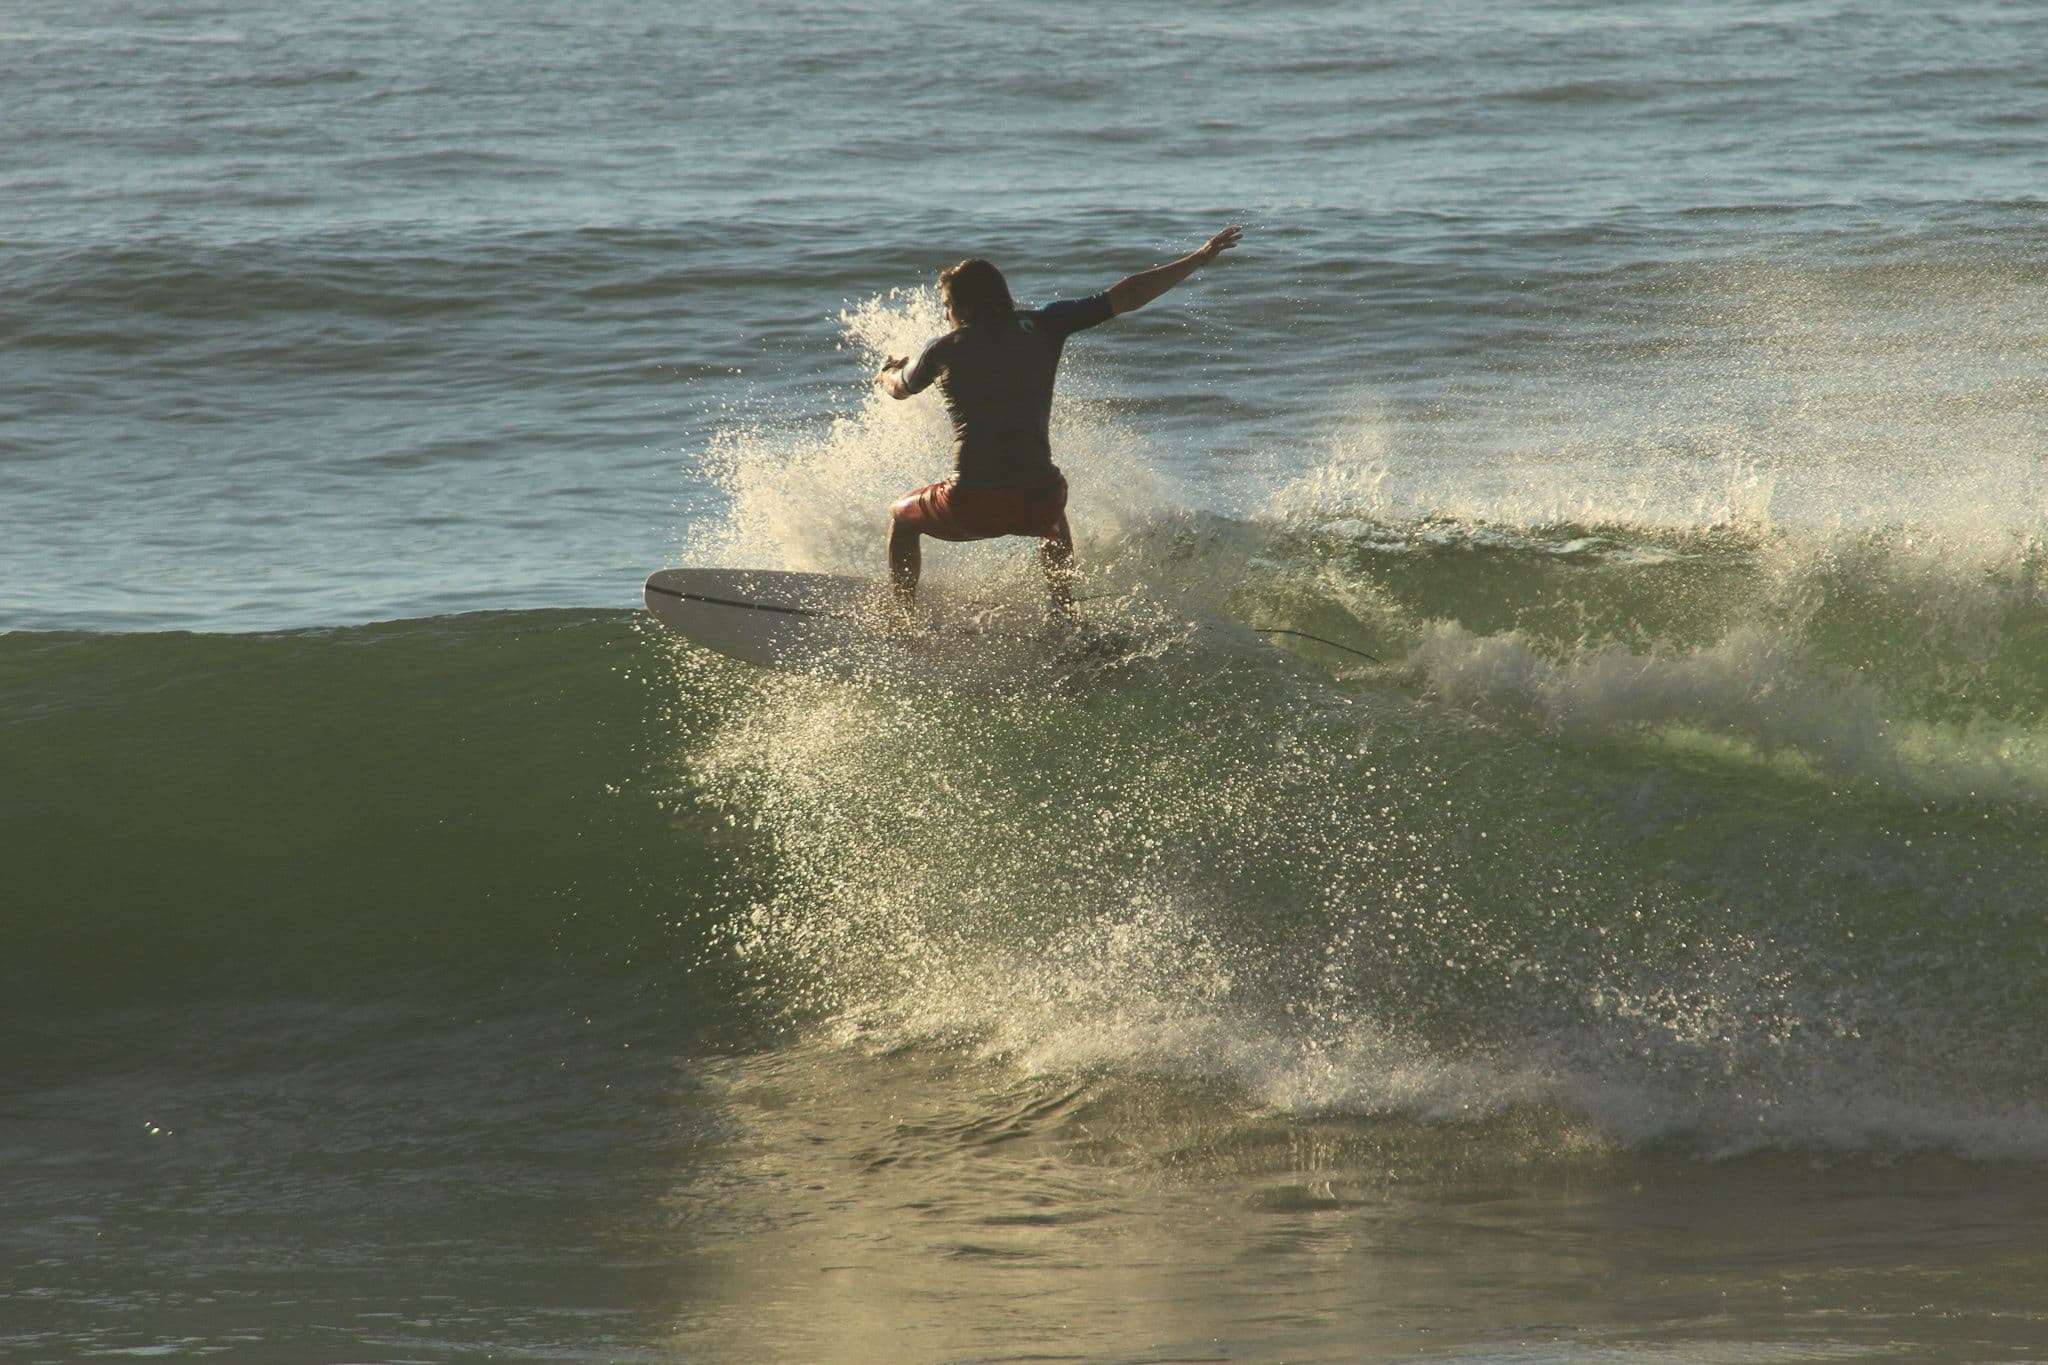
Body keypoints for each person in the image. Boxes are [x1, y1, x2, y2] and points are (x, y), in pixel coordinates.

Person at [876, 225, 1244, 624]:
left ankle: (903, 622)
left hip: (971, 503)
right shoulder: (1046, 324)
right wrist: (1198, 258)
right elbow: (1128, 295)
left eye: (947, 306)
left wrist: (885, 373)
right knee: (1051, 510)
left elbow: (899, 388)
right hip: (1038, 501)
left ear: (960, 307)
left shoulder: (941, 349)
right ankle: (1065, 614)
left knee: (901, 518)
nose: (945, 315)